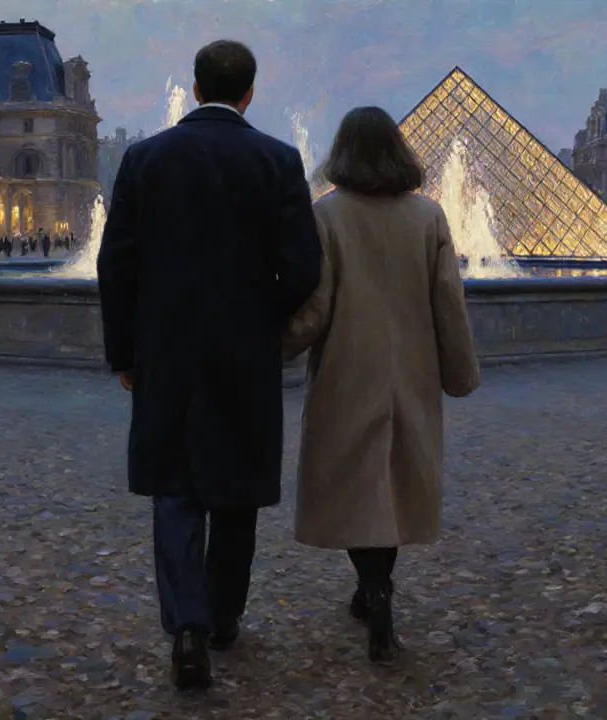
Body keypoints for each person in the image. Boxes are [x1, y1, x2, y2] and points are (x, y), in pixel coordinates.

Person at [97, 39, 321, 692]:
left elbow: (116, 267)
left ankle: (187, 626)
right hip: (243, 355)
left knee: (175, 491)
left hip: (165, 353)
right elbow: (305, 268)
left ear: (195, 90)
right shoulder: (278, 161)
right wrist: (258, 318)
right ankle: (222, 618)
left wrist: (125, 352)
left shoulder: (144, 159)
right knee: (237, 490)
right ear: (249, 93)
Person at [283, 106, 479, 663]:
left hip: (348, 369)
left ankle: (371, 588)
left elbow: (315, 310)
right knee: (394, 486)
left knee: (353, 485)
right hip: (411, 373)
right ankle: (378, 589)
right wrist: (459, 372)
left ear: (341, 153)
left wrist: (272, 348)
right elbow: (450, 305)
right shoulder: (429, 216)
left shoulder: (327, 215)